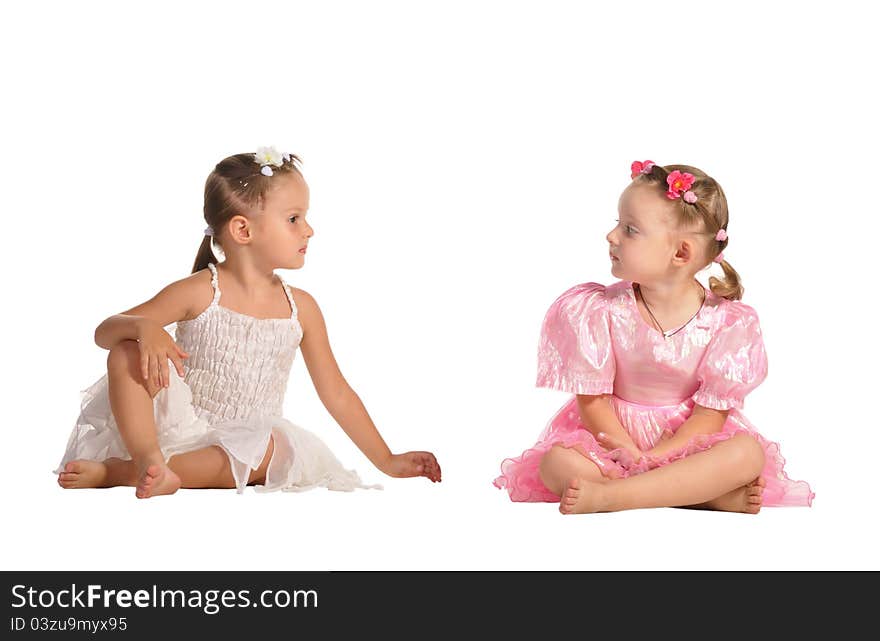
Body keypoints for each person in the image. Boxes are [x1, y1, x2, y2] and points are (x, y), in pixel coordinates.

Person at [56, 146, 441, 498]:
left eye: (304, 217)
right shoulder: (201, 290)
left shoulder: (300, 308)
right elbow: (104, 332)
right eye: (294, 219)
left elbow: (336, 392)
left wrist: (388, 460)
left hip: (246, 440)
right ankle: (148, 460)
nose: (308, 229)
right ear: (243, 230)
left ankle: (123, 472)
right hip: (174, 426)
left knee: (271, 450)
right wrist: (143, 328)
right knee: (125, 351)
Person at [494, 160, 813, 514]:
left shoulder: (726, 322)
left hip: (689, 442)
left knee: (746, 454)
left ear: (681, 253)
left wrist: (661, 456)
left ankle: (611, 496)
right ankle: (702, 496)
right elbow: (593, 403)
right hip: (611, 441)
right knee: (555, 464)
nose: (611, 236)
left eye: (630, 229)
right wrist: (628, 453)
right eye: (618, 224)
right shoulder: (600, 310)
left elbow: (710, 417)